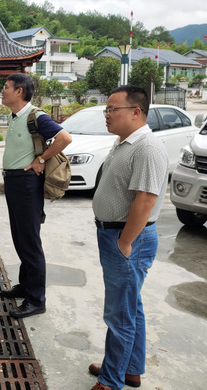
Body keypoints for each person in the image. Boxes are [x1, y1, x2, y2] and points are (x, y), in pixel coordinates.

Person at [89, 85, 169, 390]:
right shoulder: (125, 142)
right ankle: (129, 368)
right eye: (106, 109)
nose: (107, 115)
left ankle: (111, 380)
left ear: (136, 112)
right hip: (115, 235)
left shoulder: (147, 148)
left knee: (119, 313)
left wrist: (125, 242)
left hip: (128, 239)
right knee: (130, 306)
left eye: (113, 109)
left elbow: (145, 200)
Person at [0, 73, 72, 318]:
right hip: (14, 182)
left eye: (6, 87)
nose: (2, 91)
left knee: (30, 241)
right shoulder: (15, 116)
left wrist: (41, 159)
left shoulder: (36, 116)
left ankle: (36, 300)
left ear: (19, 91)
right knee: (20, 237)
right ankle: (25, 286)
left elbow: (64, 138)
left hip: (26, 183)